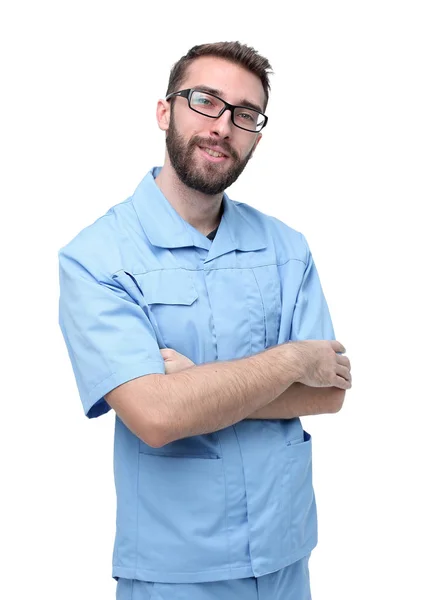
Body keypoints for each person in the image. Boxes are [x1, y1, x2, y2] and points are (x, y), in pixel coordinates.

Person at [58, 41, 352, 600]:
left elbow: (329, 391)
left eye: (245, 114)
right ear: (165, 111)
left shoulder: (287, 247)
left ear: (257, 137)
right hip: (177, 572)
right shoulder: (96, 258)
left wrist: (197, 384)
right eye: (205, 100)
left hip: (286, 554)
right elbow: (156, 416)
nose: (223, 125)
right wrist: (290, 360)